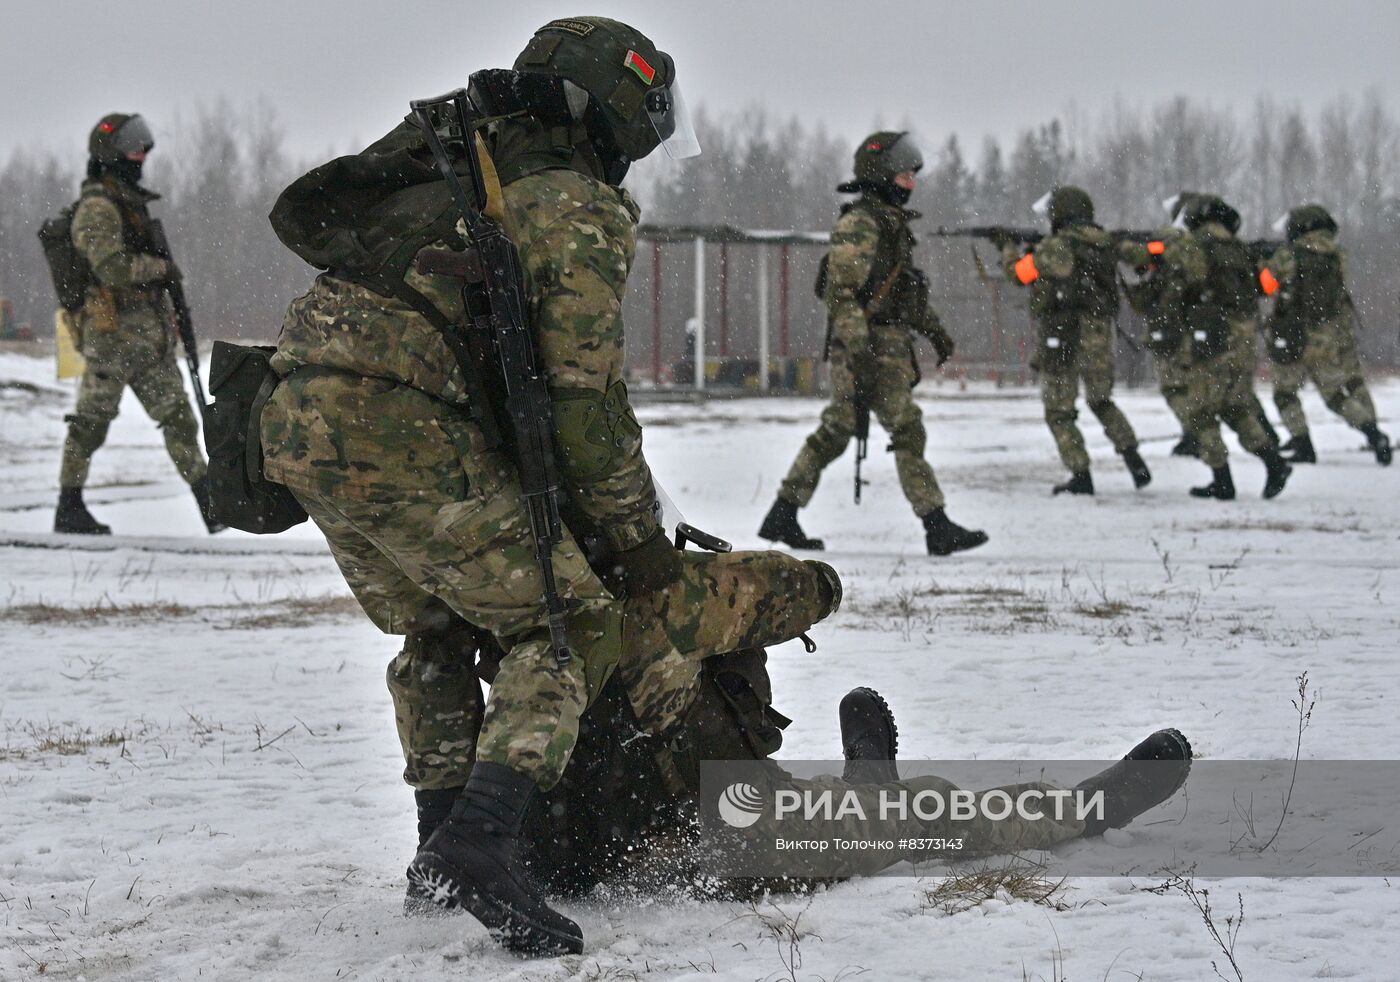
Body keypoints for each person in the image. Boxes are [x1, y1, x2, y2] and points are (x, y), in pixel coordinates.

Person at [259, 16, 840, 957]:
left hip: (295, 422)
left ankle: (438, 850)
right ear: (614, 108)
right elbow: (585, 403)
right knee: (568, 629)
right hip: (403, 426)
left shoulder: (457, 162)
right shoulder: (564, 201)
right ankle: (484, 843)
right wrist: (640, 546)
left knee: (440, 628)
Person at [406, 623, 1192, 898]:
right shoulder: (504, 577)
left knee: (915, 813)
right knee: (900, 812)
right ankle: (871, 782)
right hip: (630, 839)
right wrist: (447, 849)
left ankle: (1089, 809)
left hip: (704, 823)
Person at [758, 132, 987, 556]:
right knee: (887, 428)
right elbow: (841, 294)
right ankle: (936, 526)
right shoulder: (861, 224)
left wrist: (936, 332)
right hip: (867, 348)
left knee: (844, 431)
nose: (910, 184)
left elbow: (904, 294)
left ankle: (783, 512)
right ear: (881, 175)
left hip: (883, 346)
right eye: (903, 176)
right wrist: (860, 348)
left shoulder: (888, 224)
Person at [54, 113, 220, 535]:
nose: (140, 156)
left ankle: (210, 504)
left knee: (180, 418)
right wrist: (160, 267)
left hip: (147, 340)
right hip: (110, 338)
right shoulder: (97, 207)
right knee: (90, 423)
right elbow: (111, 268)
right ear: (110, 155)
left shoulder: (127, 203)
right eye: (132, 149)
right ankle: (68, 507)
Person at [1001, 186, 1150, 496]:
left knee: (1059, 411)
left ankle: (1080, 475)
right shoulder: (1106, 242)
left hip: (1063, 333)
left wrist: (1007, 249)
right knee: (1101, 401)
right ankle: (1134, 458)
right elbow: (1141, 256)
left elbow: (1019, 275)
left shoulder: (1056, 246)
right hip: (1099, 332)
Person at [1164, 195, 1293, 499]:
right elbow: (1260, 287)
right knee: (1235, 407)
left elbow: (1182, 275)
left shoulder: (1195, 246)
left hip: (1213, 337)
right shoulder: (1240, 250)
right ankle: (1274, 463)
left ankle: (1222, 479)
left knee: (1199, 411)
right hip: (1244, 338)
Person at [1260, 204, 1391, 466]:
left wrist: (1265, 263)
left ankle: (1303, 443)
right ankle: (1373, 432)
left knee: (1285, 393)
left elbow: (1267, 285)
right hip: (1327, 337)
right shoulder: (1337, 255)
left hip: (1293, 335)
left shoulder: (1288, 256)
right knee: (1335, 394)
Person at [1120, 193, 1202, 460]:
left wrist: (1120, 247)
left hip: (1173, 324)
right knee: (1199, 385)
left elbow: (1143, 255)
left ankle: (1195, 434)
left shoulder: (1172, 242)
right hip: (1203, 325)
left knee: (1174, 386)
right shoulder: (1207, 244)